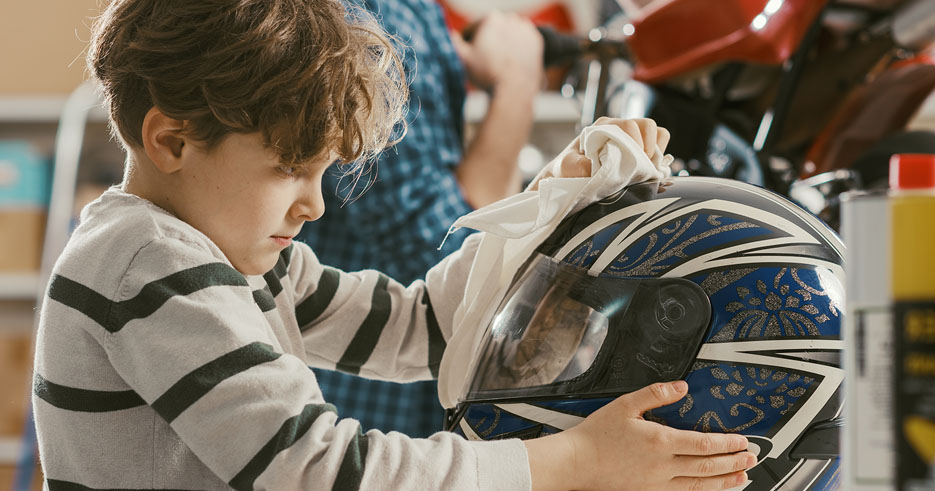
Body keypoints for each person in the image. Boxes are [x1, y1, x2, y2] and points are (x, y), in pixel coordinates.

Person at [31, 0, 756, 489]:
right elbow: (319, 470)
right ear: (171, 140)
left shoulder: (238, 256)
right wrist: (572, 461)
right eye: (288, 168)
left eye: (321, 172)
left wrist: (552, 199)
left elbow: (425, 327)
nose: (314, 204)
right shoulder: (153, 263)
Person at [298, 0, 543, 438]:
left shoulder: (409, 12)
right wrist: (517, 81)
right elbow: (445, 247)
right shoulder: (375, 18)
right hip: (369, 411)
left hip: (394, 395)